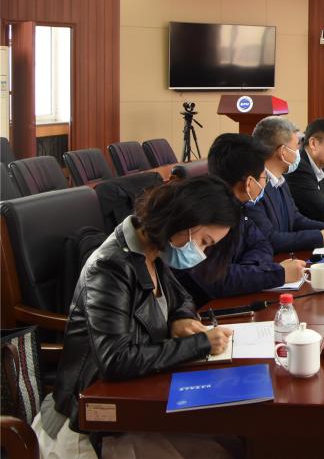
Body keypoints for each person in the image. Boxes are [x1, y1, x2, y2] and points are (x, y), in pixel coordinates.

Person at [35, 177, 240, 458]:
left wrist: (180, 318)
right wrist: (201, 344)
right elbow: (116, 359)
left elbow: (182, 298)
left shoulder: (152, 250)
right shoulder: (109, 267)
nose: (201, 253)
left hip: (132, 403)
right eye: (204, 242)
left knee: (234, 441)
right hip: (92, 424)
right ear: (185, 220)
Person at [185, 133, 306, 297]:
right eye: (264, 177)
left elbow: (262, 244)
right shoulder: (206, 215)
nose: (265, 183)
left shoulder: (241, 207)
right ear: (249, 183)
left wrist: (249, 271)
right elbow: (216, 278)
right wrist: (276, 273)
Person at [251, 116, 324, 252]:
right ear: (283, 152)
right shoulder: (253, 187)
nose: (299, 152)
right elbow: (270, 239)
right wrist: (321, 236)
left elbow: (295, 219)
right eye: (296, 146)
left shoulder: (281, 181)